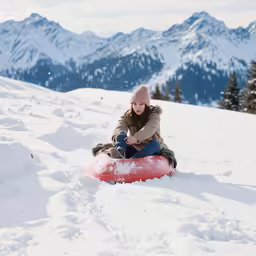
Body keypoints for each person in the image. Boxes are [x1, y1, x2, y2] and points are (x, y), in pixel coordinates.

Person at [111, 84, 164, 159]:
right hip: (134, 147)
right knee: (121, 134)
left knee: (155, 144)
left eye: (141, 104)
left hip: (150, 148)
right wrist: (119, 137)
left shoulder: (154, 115)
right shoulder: (128, 116)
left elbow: (149, 129)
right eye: (134, 104)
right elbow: (120, 127)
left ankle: (137, 159)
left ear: (146, 105)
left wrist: (136, 138)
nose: (137, 107)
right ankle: (120, 154)